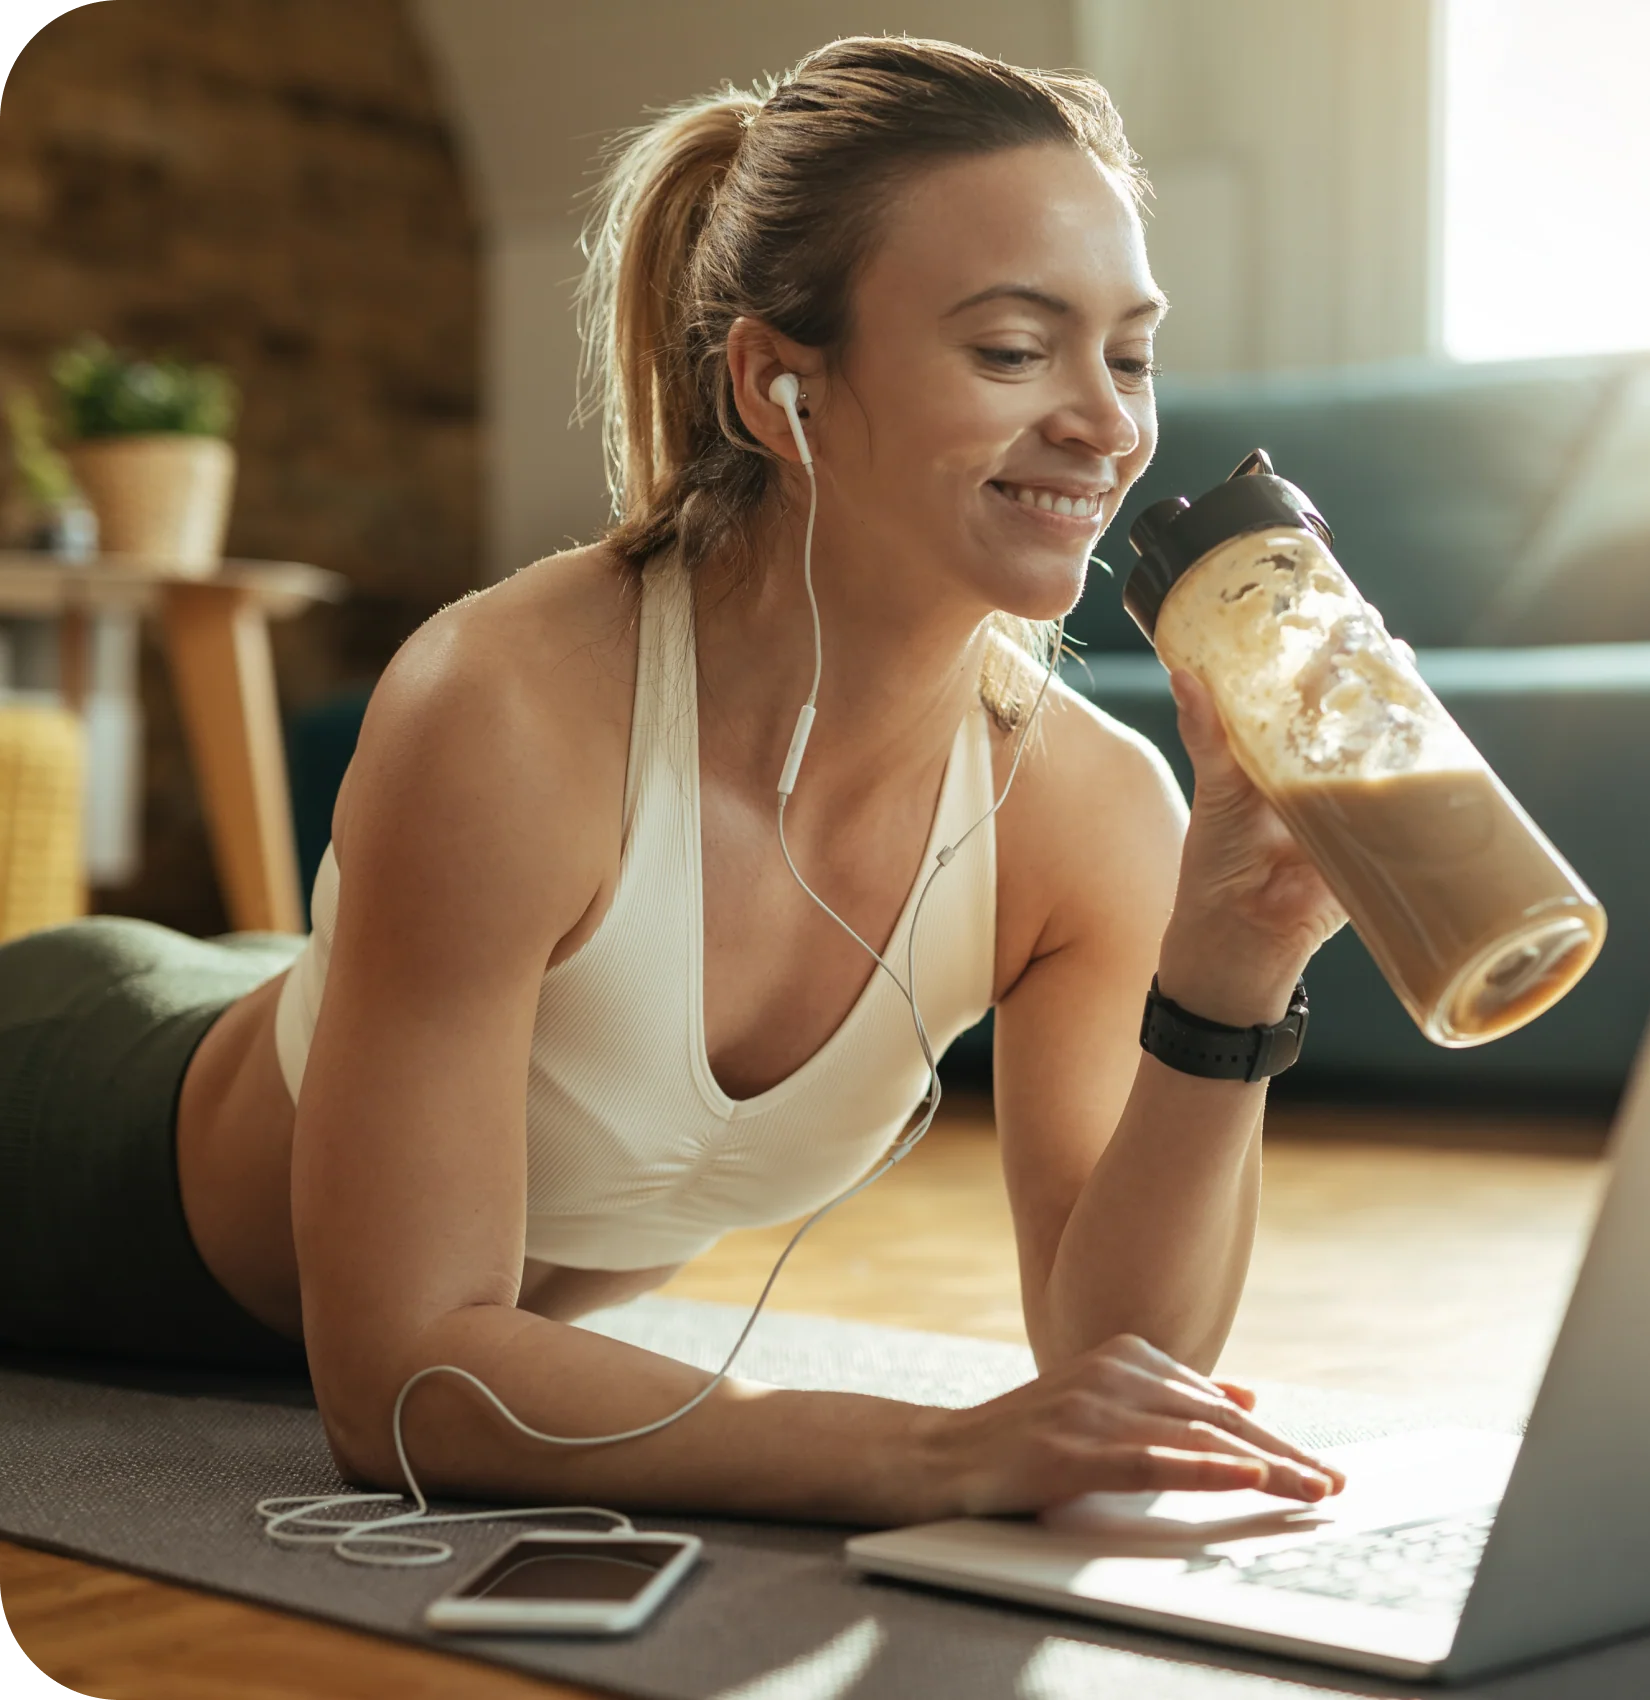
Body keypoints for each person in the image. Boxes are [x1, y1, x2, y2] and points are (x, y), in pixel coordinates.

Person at [0, 37, 1348, 1527]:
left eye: (1132, 351)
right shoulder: (508, 708)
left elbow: (1115, 1368)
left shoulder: (1091, 808)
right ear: (781, 389)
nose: (1107, 422)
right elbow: (401, 1384)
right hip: (69, 1116)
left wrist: (1235, 966)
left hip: (304, 1000)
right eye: (1015, 349)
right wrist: (926, 1452)